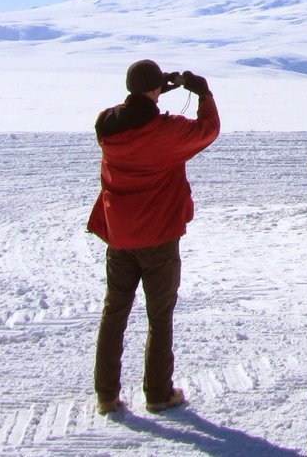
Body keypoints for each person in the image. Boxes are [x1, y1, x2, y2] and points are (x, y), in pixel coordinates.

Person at [87, 59, 220, 416]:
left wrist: (151, 92)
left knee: (114, 310)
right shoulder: (166, 131)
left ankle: (106, 395)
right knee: (159, 315)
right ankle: (159, 393)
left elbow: (134, 111)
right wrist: (203, 93)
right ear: (156, 88)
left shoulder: (106, 125)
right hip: (159, 237)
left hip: (119, 235)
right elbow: (208, 129)